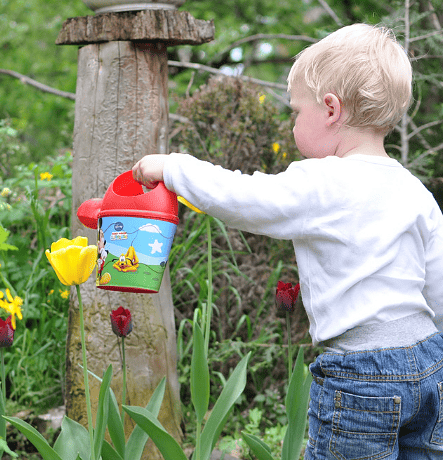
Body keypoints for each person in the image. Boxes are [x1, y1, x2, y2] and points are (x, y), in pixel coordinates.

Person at [132, 23, 443, 459]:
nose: (292, 122)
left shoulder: (323, 182)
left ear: (331, 110)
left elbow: (245, 198)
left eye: (297, 111)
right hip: (429, 363)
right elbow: (438, 288)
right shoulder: (415, 192)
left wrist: (173, 168)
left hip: (361, 374)